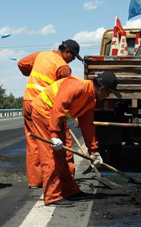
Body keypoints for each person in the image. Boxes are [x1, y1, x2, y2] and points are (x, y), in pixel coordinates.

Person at [31, 71, 122, 206]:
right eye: (108, 93)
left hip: (56, 118)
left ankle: (70, 191)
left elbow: (87, 126)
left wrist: (93, 151)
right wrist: (54, 136)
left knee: (65, 155)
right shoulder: (76, 86)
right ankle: (52, 196)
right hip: (44, 112)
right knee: (51, 156)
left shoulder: (90, 100)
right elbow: (58, 108)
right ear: (102, 89)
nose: (108, 96)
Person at [18, 40, 82, 188]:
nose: (72, 60)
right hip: (44, 106)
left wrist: (33, 71)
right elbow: (64, 94)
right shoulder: (63, 67)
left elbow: (21, 64)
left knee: (33, 141)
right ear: (67, 52)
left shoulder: (41, 55)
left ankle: (35, 180)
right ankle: (65, 178)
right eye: (73, 57)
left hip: (28, 100)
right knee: (61, 141)